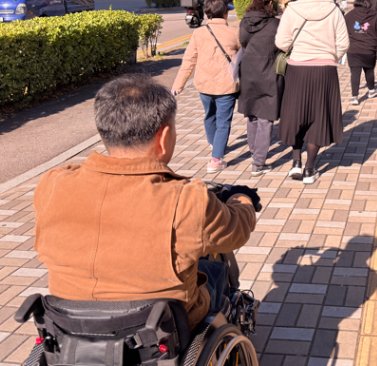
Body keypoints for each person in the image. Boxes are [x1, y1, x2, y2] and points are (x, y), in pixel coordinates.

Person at [33, 74, 259, 330]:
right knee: (214, 273)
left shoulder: (53, 184)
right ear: (163, 138)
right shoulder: (187, 199)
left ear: (105, 132)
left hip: (69, 322)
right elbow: (236, 231)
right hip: (160, 327)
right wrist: (242, 199)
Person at [276, 0, 350, 184]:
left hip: (297, 69)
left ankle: (295, 163)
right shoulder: (333, 10)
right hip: (324, 71)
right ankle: (310, 169)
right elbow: (344, 43)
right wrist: (330, 56)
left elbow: (281, 42)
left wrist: (297, 51)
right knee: (319, 117)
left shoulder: (292, 9)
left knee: (295, 115)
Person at [171, 0, 240, 173]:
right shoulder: (235, 33)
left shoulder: (198, 34)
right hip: (227, 85)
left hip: (204, 84)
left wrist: (178, 85)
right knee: (223, 121)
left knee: (209, 115)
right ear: (225, 13)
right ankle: (215, 160)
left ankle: (214, 144)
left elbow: (189, 61)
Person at [238, 0, 284, 177]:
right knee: (266, 117)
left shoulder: (243, 22)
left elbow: (243, 43)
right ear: (270, 2)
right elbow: (283, 46)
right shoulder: (276, 24)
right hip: (269, 72)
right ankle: (258, 163)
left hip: (248, 72)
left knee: (252, 114)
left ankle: (254, 151)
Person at [344, 0, 377, 105]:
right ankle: (371, 90)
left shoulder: (348, 16)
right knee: (369, 70)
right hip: (369, 49)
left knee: (355, 72)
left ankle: (354, 97)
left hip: (353, 49)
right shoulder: (375, 16)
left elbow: (343, 32)